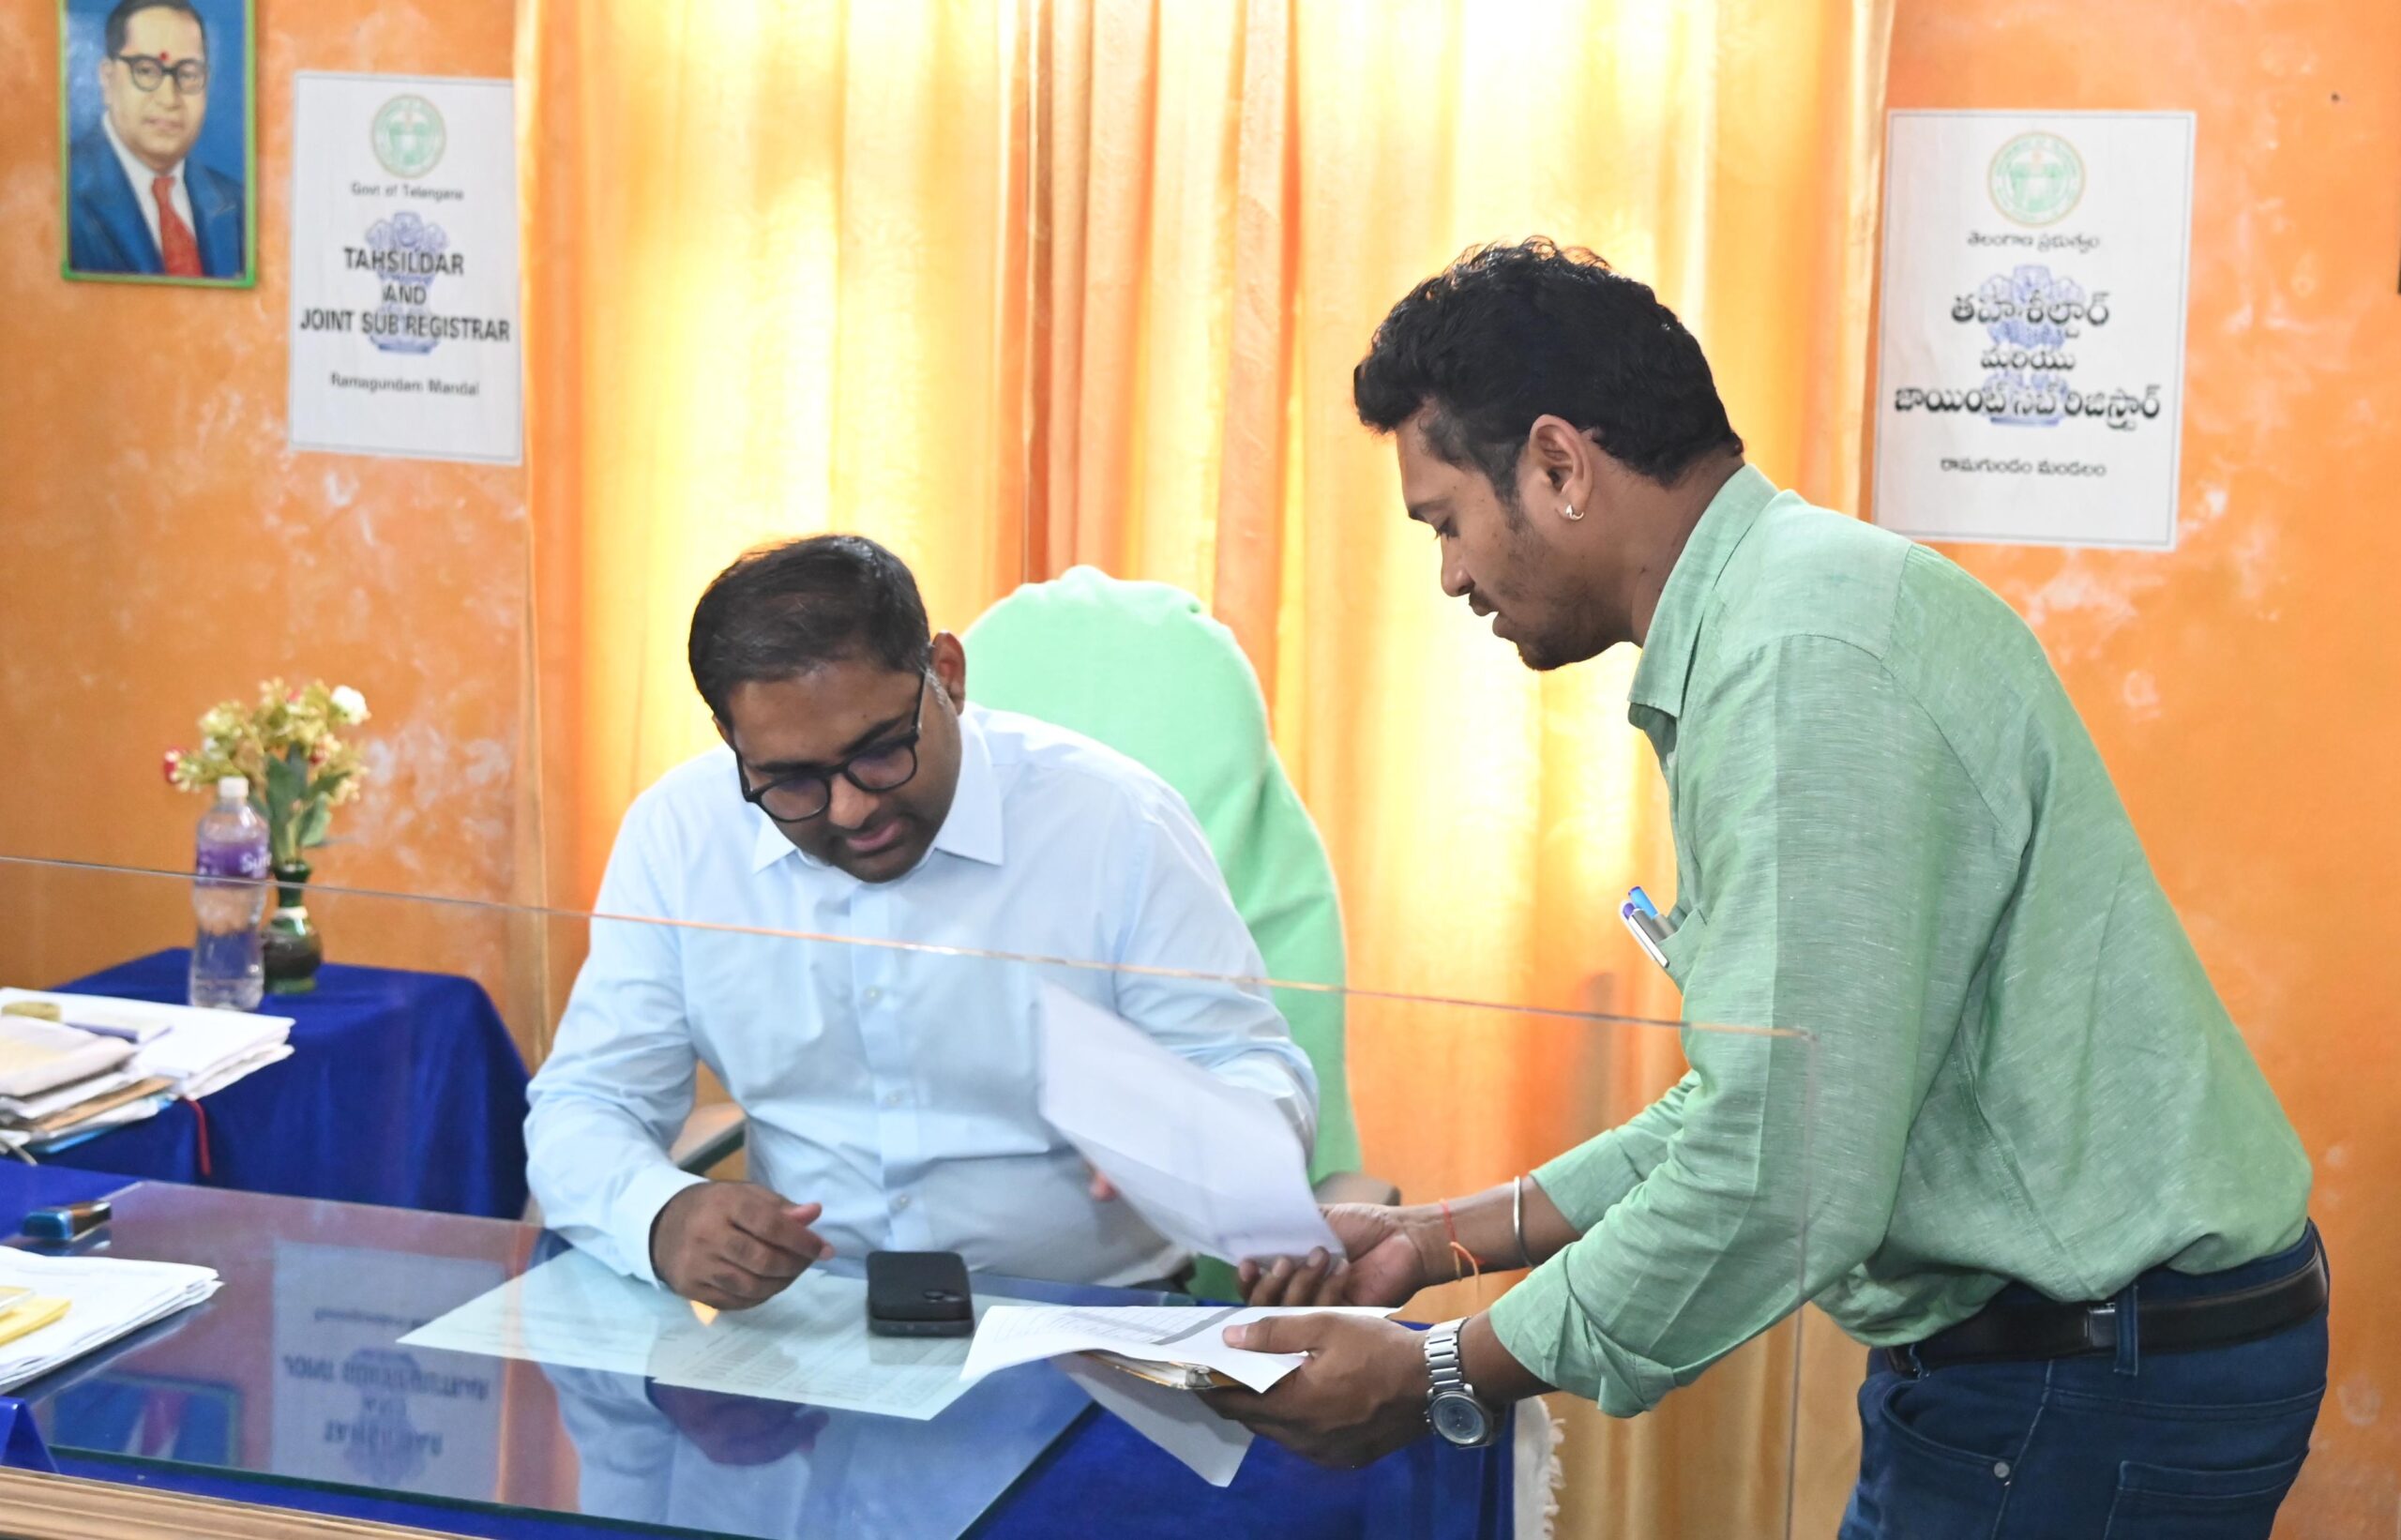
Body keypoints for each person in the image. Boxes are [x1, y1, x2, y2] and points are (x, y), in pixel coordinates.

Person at [1209, 240, 2324, 1539]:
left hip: (2088, 1377)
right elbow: (1760, 1096)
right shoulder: (1786, 611)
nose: (1451, 575)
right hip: (2076, 1356)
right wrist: (1447, 1236)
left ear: (1559, 465)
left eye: (1445, 520)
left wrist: (1438, 1372)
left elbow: (1780, 1169)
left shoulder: (1803, 660)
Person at [526, 535, 1317, 1307]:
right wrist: (660, 1216)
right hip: (810, 1324)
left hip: (1083, 1319)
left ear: (948, 675)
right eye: (791, 780)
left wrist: (1208, 1134)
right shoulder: (680, 834)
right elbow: (586, 1104)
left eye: (878, 751)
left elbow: (1243, 1063)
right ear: (734, 743)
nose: (851, 808)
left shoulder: (1116, 821)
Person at [68, 0, 245, 279]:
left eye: (188, 74)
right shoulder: (59, 191)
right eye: (146, 70)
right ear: (107, 79)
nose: (169, 98)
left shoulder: (239, 204)